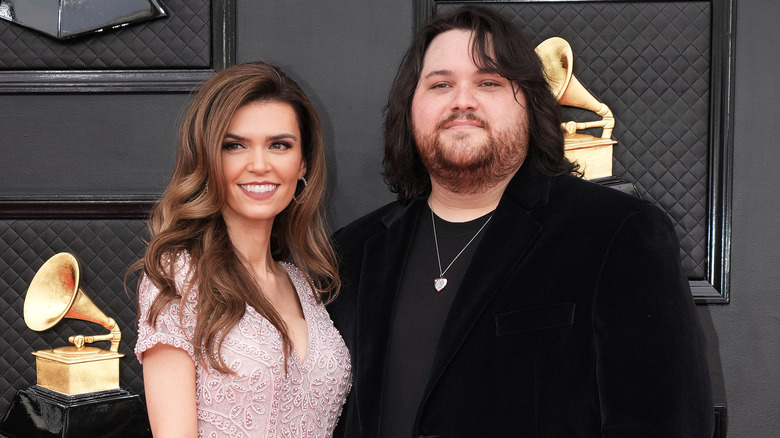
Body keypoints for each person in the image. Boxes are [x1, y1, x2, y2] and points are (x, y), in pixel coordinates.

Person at [327, 5, 713, 437]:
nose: (462, 100)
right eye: (440, 84)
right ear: (409, 109)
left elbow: (667, 424)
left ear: (530, 105)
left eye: (489, 82)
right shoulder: (352, 252)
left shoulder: (618, 232)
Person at [133, 62, 351, 437]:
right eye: (235, 146)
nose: (259, 165)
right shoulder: (178, 278)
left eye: (279, 145)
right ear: (207, 159)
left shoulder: (305, 285)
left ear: (304, 164)